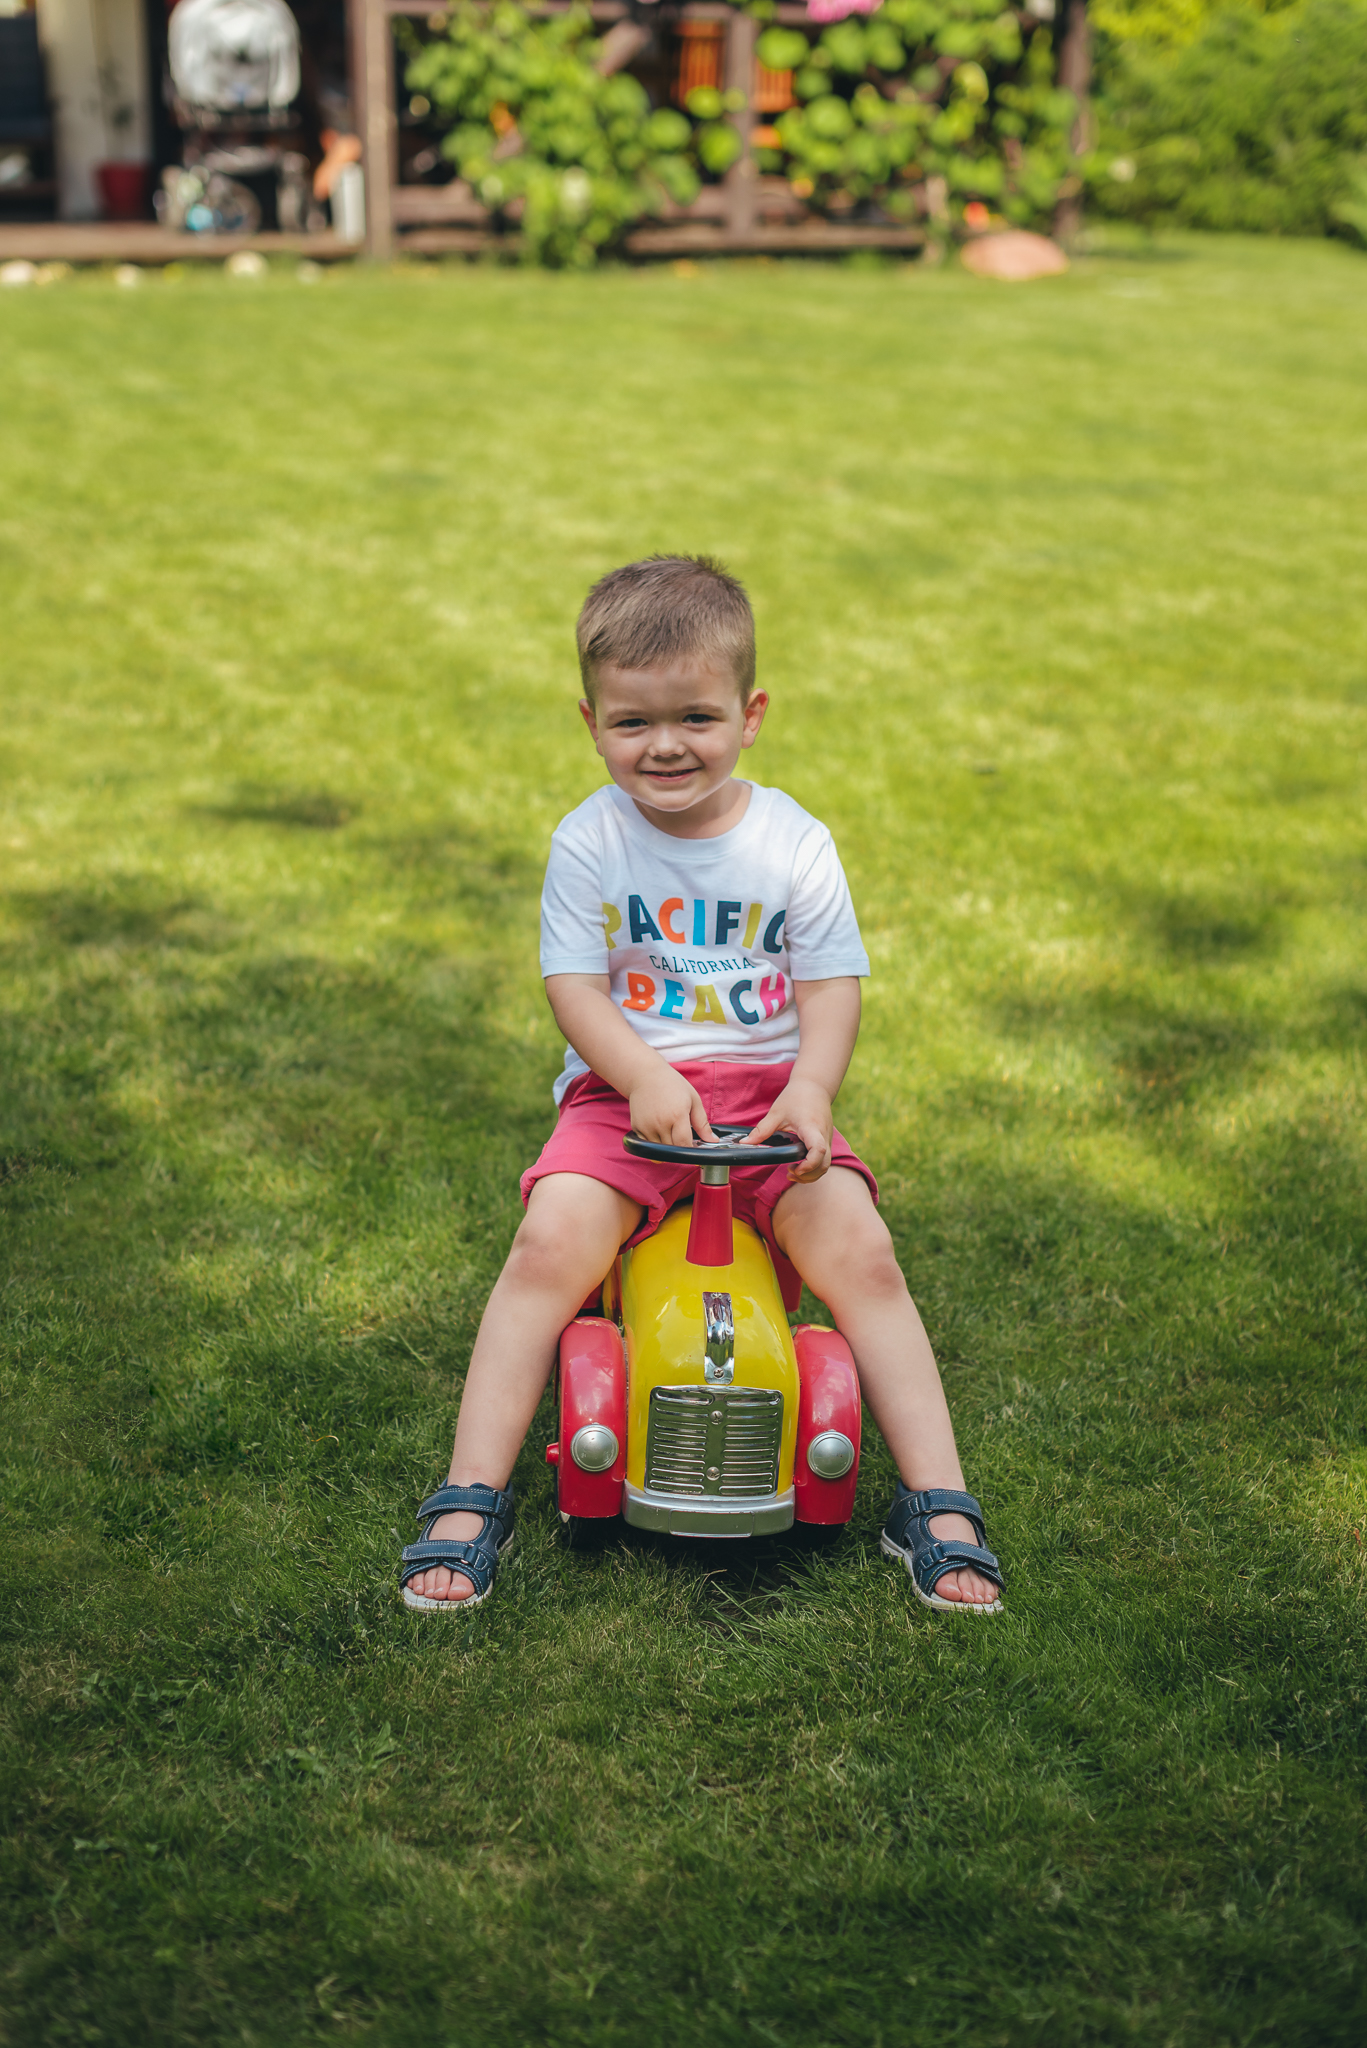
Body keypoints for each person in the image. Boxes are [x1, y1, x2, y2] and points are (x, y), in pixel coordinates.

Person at [398, 556, 1005, 1616]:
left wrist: (811, 1089)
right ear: (590, 720)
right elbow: (572, 985)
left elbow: (829, 984)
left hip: (769, 1095)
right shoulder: (589, 839)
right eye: (632, 722)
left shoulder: (793, 843)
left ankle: (937, 1503)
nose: (665, 745)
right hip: (621, 1095)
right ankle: (468, 1494)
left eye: (695, 716)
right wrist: (636, 1073)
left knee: (861, 1252)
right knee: (547, 1246)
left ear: (749, 713)